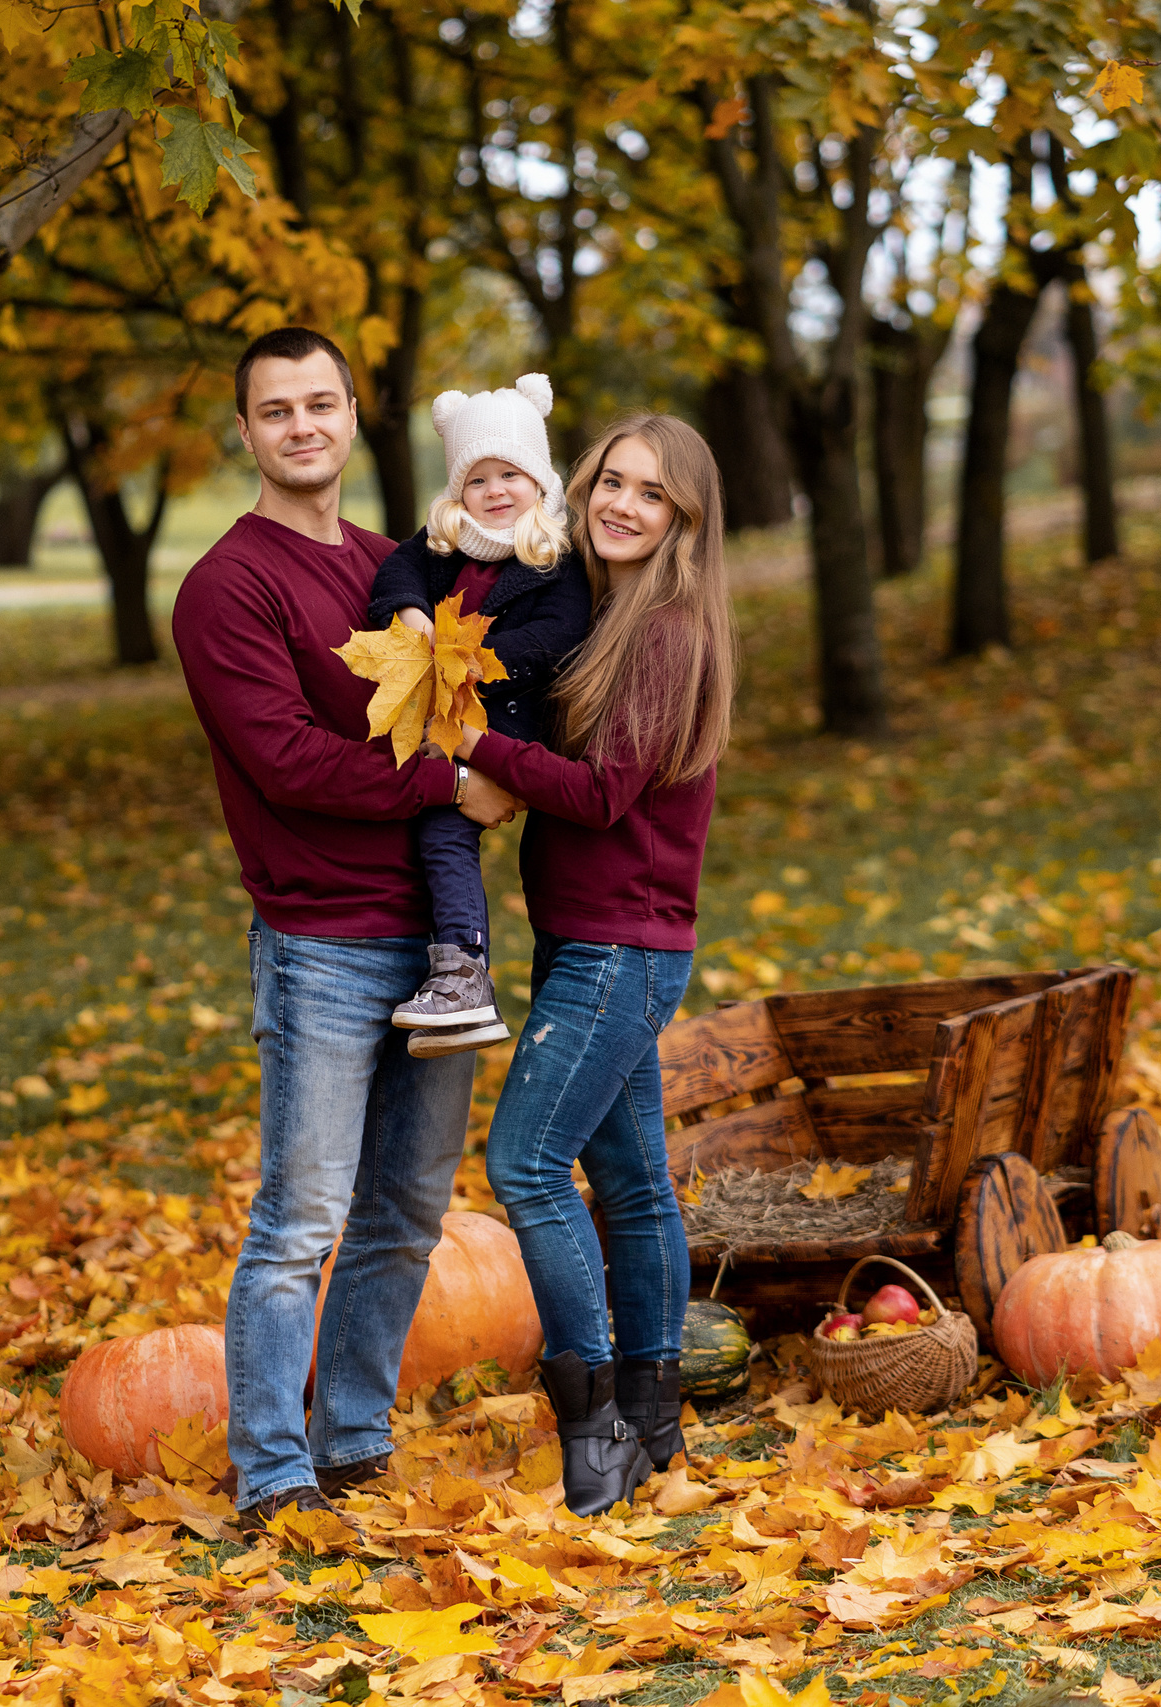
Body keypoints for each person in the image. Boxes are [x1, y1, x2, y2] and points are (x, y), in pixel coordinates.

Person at [169, 327, 524, 1531]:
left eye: (321, 403)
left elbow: (488, 684)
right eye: (277, 411)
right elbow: (286, 762)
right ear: (248, 432)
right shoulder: (227, 586)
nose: (302, 427)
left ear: (355, 414)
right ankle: (272, 1467)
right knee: (299, 1220)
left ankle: (354, 1438)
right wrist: (446, 785)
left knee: (408, 1211)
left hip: (438, 947)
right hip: (321, 938)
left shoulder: (396, 566)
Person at [453, 415, 733, 1516]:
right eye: (608, 480)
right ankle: (655, 1416)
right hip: (599, 938)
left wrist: (478, 747)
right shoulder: (611, 614)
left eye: (649, 494)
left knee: (524, 1164)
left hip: (620, 947)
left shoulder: (664, 632)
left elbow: (602, 793)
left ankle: (595, 1415)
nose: (619, 503)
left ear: (684, 521)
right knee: (627, 1179)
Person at [367, 376, 593, 1059]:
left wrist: (470, 657)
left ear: (539, 479)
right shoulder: (444, 544)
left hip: (509, 724)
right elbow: (396, 573)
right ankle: (455, 970)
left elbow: (556, 635)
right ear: (458, 491)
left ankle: (464, 971)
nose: (495, 491)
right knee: (436, 829)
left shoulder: (554, 556)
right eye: (478, 478)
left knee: (442, 819)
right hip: (446, 718)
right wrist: (407, 613)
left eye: (511, 474)